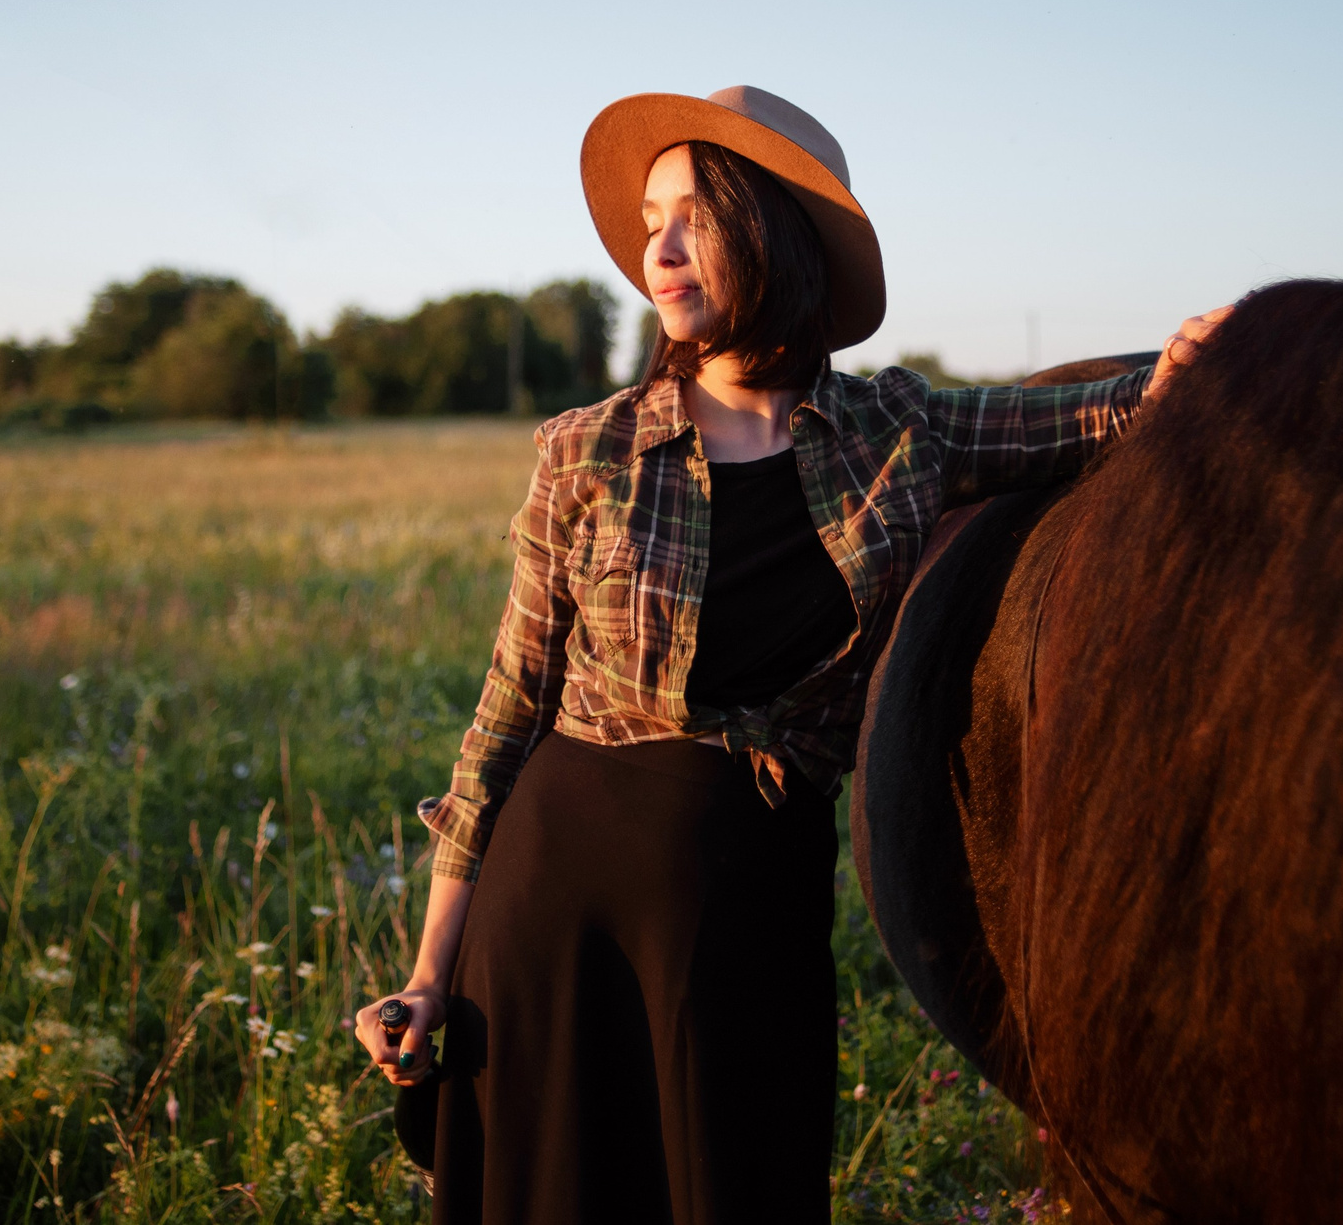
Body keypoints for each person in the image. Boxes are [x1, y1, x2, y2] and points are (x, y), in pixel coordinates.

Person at [355, 85, 1227, 1224]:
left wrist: (1195, 358)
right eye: (647, 220)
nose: (654, 248)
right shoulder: (587, 450)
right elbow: (505, 713)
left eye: (690, 216)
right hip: (555, 903)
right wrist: (429, 971)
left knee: (740, 1179)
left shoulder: (899, 433)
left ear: (768, 231)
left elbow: (1107, 413)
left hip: (748, 903)